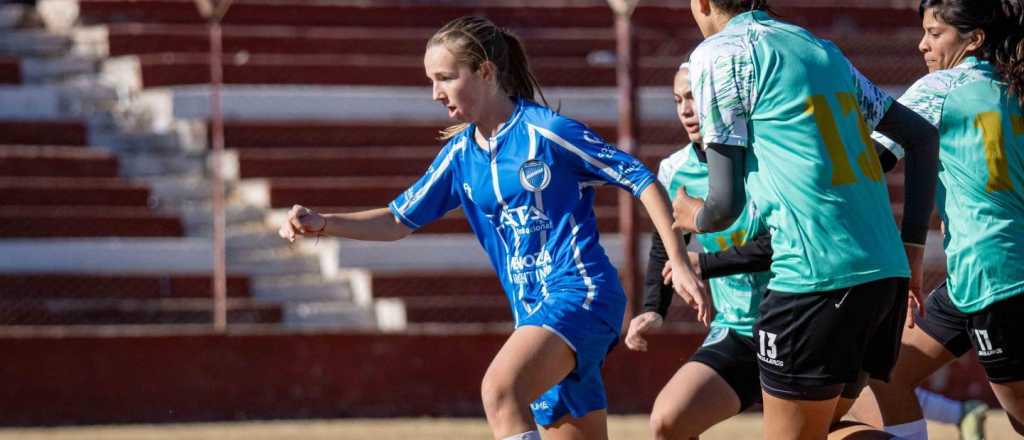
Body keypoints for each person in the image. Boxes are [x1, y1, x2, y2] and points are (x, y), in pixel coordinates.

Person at [277, 15, 708, 440]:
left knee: (500, 390)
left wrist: (678, 262)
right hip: (532, 313)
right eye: (431, 80)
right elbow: (395, 220)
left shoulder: (548, 133)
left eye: (445, 77)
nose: (434, 93)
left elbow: (641, 179)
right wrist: (324, 224)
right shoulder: (459, 155)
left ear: (485, 71)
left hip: (582, 294)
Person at [673, 0, 941, 438]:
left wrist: (691, 216)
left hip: (815, 278)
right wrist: (912, 248)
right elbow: (921, 135)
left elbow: (724, 206)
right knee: (827, 428)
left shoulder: (719, 52)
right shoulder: (821, 49)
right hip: (884, 274)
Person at [856, 1, 1024, 438]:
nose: (922, 44)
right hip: (977, 276)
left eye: (935, 33)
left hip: (995, 275)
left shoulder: (940, 88)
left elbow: (868, 161)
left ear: (974, 39)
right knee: (884, 369)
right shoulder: (1014, 84)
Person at [624, 61, 770, 440]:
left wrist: (704, 264)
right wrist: (654, 309)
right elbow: (666, 245)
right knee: (669, 421)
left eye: (694, 97)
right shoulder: (676, 169)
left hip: (793, 325)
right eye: (678, 100)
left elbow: (782, 246)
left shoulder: (764, 161)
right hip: (736, 330)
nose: (686, 110)